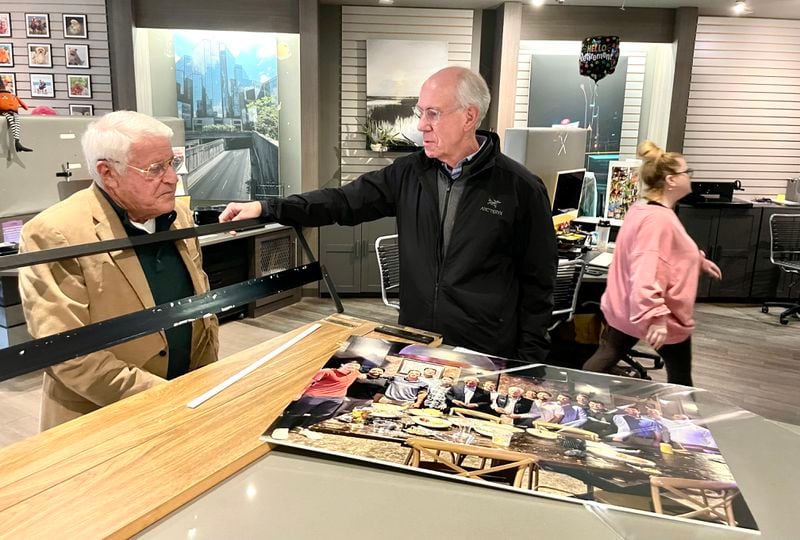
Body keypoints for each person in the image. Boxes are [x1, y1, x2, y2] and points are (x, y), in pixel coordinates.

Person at [219, 66, 557, 363]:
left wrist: (528, 366)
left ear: (469, 117)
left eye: (433, 114)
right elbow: (341, 201)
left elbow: (538, 285)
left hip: (485, 353)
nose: (421, 125)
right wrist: (267, 208)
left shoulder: (520, 188)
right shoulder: (408, 173)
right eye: (420, 112)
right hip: (417, 344)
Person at [18, 111, 219, 430]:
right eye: (156, 168)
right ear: (107, 173)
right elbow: (67, 353)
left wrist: (203, 389)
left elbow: (201, 307)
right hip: (102, 421)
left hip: (188, 405)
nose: (172, 178)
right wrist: (165, 397)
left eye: (172, 163)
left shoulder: (178, 215)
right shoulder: (54, 232)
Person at [582, 141, 722, 386]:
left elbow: (670, 251)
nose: (690, 177)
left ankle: (579, 396)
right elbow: (647, 269)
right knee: (680, 381)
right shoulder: (659, 221)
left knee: (604, 358)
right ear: (670, 180)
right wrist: (656, 316)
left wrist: (697, 261)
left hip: (628, 310)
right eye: (686, 173)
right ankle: (684, 421)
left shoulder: (643, 210)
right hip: (658, 315)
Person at [271, 361, 362, 440]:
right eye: (350, 365)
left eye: (355, 366)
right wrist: (300, 393)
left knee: (321, 415)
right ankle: (282, 427)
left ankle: (304, 428)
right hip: (315, 395)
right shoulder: (327, 371)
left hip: (337, 398)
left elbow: (364, 376)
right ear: (343, 364)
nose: (352, 367)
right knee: (298, 411)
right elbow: (309, 381)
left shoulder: (355, 373)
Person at [0, 83, 33, 152]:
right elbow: (25, 107)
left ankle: (16, 142)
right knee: (15, 122)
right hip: (12, 114)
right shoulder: (13, 96)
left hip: (6, 114)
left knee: (13, 122)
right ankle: (17, 142)